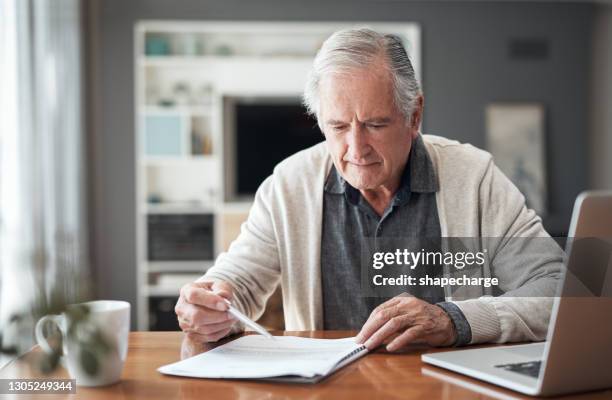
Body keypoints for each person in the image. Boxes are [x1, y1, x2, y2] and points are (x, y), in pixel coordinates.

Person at [174, 28, 563, 352]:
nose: (356, 150)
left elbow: (560, 289)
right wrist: (210, 302)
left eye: (375, 125)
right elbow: (236, 283)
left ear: (414, 115)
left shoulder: (475, 178)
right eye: (339, 127)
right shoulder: (287, 186)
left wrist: (455, 319)